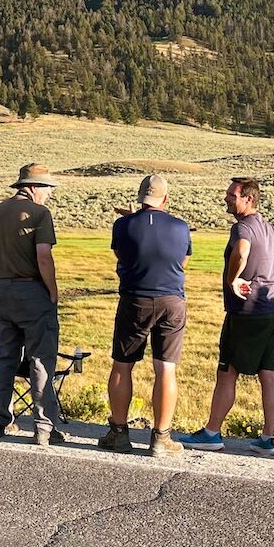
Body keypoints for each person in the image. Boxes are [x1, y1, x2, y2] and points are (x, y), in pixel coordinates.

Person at [182, 177, 274, 456]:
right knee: (268, 373)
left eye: (231, 196)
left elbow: (242, 251)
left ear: (248, 199)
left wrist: (233, 279)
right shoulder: (267, 227)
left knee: (227, 372)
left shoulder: (242, 228)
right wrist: (269, 278)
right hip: (270, 310)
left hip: (245, 313)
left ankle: (211, 433)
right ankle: (268, 438)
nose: (226, 199)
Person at [100, 174, 190, 457]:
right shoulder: (180, 227)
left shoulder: (122, 225)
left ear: (140, 199)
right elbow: (182, 262)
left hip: (134, 299)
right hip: (171, 300)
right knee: (165, 368)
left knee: (122, 365)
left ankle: (118, 432)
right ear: (165, 199)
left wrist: (131, 221)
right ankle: (161, 437)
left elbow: (121, 255)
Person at [0, 163, 64, 446]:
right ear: (33, 188)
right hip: (32, 291)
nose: (49, 194)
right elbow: (44, 257)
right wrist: (52, 291)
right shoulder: (40, 214)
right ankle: (44, 426)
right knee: (41, 359)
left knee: (6, 358)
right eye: (47, 189)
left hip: (3, 291)